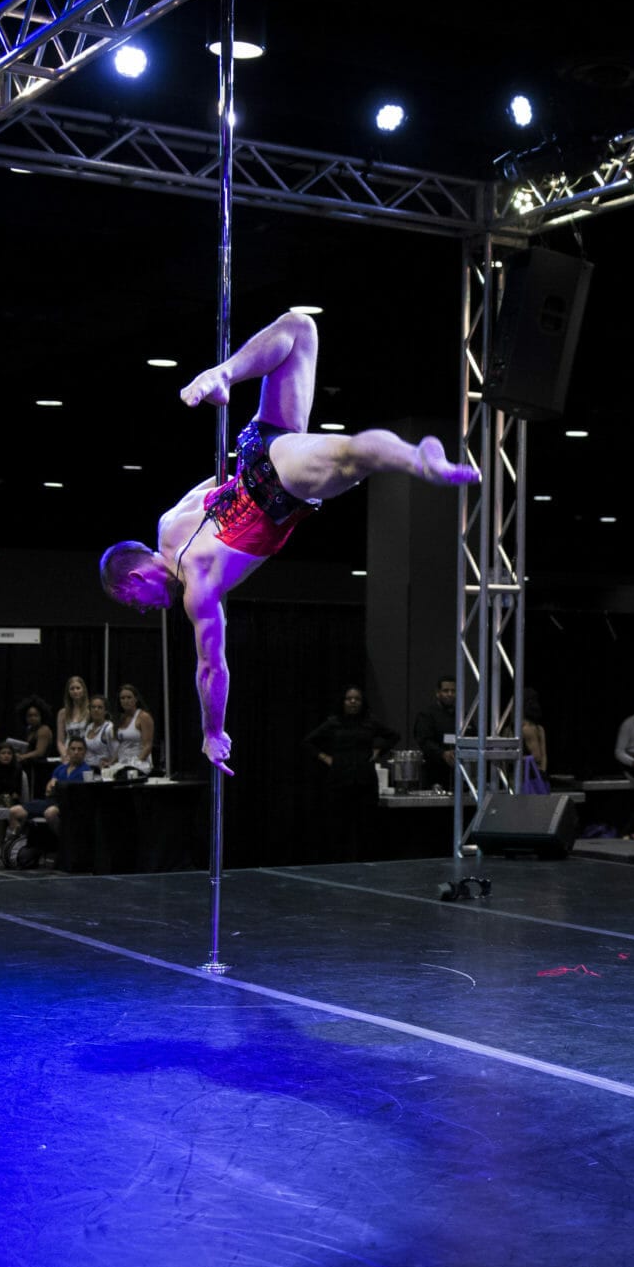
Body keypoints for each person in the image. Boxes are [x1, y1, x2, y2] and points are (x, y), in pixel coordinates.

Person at [99, 312, 479, 776]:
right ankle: (225, 373)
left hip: (275, 492)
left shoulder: (198, 590)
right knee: (300, 328)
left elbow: (211, 670)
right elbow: (214, 481)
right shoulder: (167, 523)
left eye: (132, 600)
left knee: (349, 458)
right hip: (260, 450)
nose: (142, 608)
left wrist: (212, 731)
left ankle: (420, 463)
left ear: (135, 577)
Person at [304, 685, 399, 861]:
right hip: (340, 779)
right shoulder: (334, 722)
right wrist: (326, 758)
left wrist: (379, 750)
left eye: (357, 699)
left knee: (366, 825)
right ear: (343, 702)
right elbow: (309, 742)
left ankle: (365, 861)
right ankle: (339, 861)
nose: (353, 702)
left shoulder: (370, 722)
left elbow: (393, 736)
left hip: (365, 780)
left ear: (362, 702)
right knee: (339, 825)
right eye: (349, 699)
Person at [3, 736, 99, 867]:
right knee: (13, 811)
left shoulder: (86, 771)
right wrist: (51, 787)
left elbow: (81, 796)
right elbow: (48, 789)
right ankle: (16, 844)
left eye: (80, 749)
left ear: (84, 752)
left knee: (50, 813)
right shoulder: (60, 769)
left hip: (68, 804)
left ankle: (65, 845)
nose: (76, 752)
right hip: (51, 800)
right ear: (68, 751)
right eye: (73, 749)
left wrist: (56, 788)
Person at [410, 675, 458, 789]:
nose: (450, 694)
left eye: (453, 691)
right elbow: (423, 740)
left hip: (458, 773)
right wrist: (443, 753)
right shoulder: (427, 715)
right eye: (446, 691)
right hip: (434, 771)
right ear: (438, 693)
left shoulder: (463, 716)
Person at [112, 682, 156, 776]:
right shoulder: (121, 719)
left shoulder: (143, 717)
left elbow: (147, 745)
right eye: (122, 698)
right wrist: (111, 762)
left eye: (129, 697)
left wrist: (135, 763)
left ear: (135, 699)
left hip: (139, 763)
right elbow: (120, 746)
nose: (126, 701)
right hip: (122, 762)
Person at [79, 695, 118, 771]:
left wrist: (110, 764)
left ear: (105, 711)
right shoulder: (88, 727)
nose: (96, 710)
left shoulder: (109, 729)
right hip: (87, 770)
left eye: (100, 707)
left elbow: (118, 752)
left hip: (104, 771)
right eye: (93, 707)